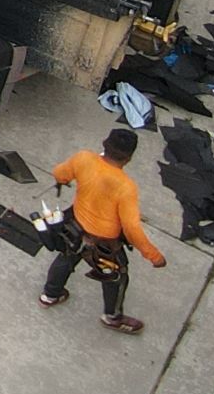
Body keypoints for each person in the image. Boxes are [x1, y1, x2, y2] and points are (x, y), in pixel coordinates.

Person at [40, 126, 165, 334]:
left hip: (75, 227)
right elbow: (132, 228)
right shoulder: (126, 187)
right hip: (104, 244)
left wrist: (64, 180)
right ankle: (112, 317)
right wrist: (153, 255)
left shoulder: (84, 159)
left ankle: (50, 295)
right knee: (116, 277)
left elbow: (59, 173)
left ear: (104, 145)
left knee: (66, 258)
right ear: (128, 158)